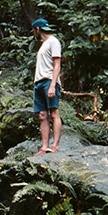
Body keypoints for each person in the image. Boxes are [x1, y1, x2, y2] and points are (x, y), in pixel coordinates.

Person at [30, 17, 63, 155]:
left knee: (54, 113)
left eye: (34, 30)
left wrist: (52, 85)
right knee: (42, 115)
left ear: (37, 29)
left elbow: (57, 65)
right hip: (39, 82)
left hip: (49, 81)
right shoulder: (44, 44)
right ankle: (44, 146)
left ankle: (54, 145)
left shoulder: (53, 42)